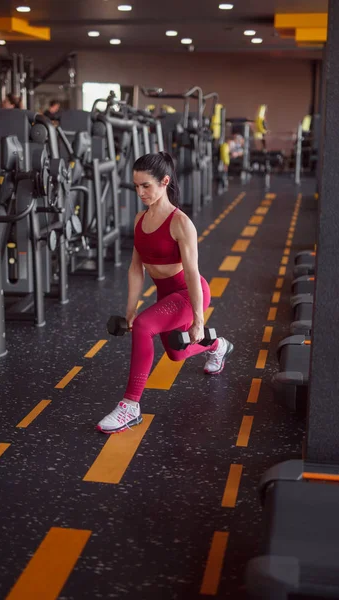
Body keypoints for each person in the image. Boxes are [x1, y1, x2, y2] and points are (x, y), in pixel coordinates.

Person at [97, 152, 234, 434]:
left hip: (188, 294)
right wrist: (131, 308)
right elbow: (136, 269)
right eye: (136, 186)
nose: (140, 192)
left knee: (145, 327)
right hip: (166, 296)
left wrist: (199, 319)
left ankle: (130, 406)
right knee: (176, 353)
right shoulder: (139, 219)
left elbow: (193, 274)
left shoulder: (180, 223)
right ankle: (217, 346)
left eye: (146, 185)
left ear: (164, 182)